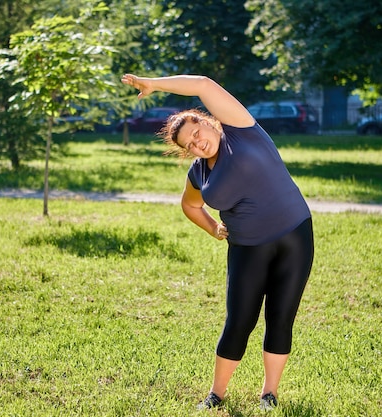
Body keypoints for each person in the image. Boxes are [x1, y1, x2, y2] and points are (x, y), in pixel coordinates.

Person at [122, 74, 314, 411]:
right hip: (246, 248)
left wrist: (153, 84)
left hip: (294, 235)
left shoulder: (240, 130)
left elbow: (202, 85)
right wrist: (213, 228)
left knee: (281, 317)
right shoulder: (200, 172)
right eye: (189, 144)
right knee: (239, 321)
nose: (197, 144)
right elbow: (190, 205)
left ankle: (269, 393)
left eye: (197, 133)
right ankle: (216, 394)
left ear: (208, 122)